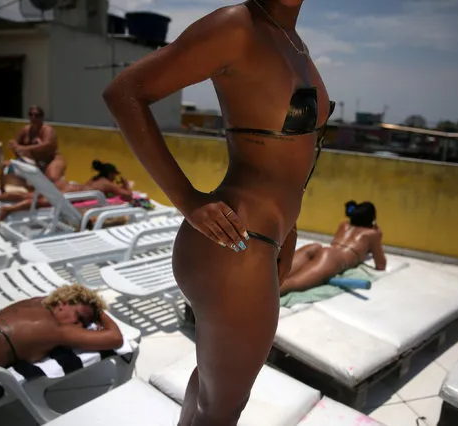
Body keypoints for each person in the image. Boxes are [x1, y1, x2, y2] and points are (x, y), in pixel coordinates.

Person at [102, 1, 334, 425]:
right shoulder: (237, 26)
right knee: (224, 409)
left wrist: (291, 231)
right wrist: (188, 200)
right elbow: (124, 93)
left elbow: (288, 159)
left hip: (262, 240)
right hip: (236, 243)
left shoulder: (291, 42)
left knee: (212, 392)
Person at [0, 284, 123, 385]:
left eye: (84, 323)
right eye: (80, 317)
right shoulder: (58, 329)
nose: (78, 325)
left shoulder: (31, 304)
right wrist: (98, 312)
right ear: (63, 302)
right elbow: (115, 337)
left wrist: (84, 303)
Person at [280, 201, 386, 295]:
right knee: (292, 283)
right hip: (333, 258)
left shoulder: (344, 224)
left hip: (319, 249)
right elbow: (381, 265)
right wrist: (377, 232)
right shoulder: (372, 234)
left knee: (279, 273)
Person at [0, 160, 133, 222]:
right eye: (115, 174)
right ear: (111, 174)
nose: (116, 177)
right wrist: (126, 185)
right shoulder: (107, 183)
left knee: (28, 194)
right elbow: (128, 196)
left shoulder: (97, 179)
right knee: (41, 202)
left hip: (66, 186)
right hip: (71, 194)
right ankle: (8, 209)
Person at [0, 105, 67, 192]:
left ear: (42, 117)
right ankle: (3, 191)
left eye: (37, 115)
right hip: (34, 161)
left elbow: (48, 145)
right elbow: (16, 144)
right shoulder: (25, 129)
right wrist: (14, 145)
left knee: (52, 179)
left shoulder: (47, 130)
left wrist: (25, 148)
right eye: (31, 114)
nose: (33, 117)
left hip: (51, 160)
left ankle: (69, 189)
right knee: (6, 166)